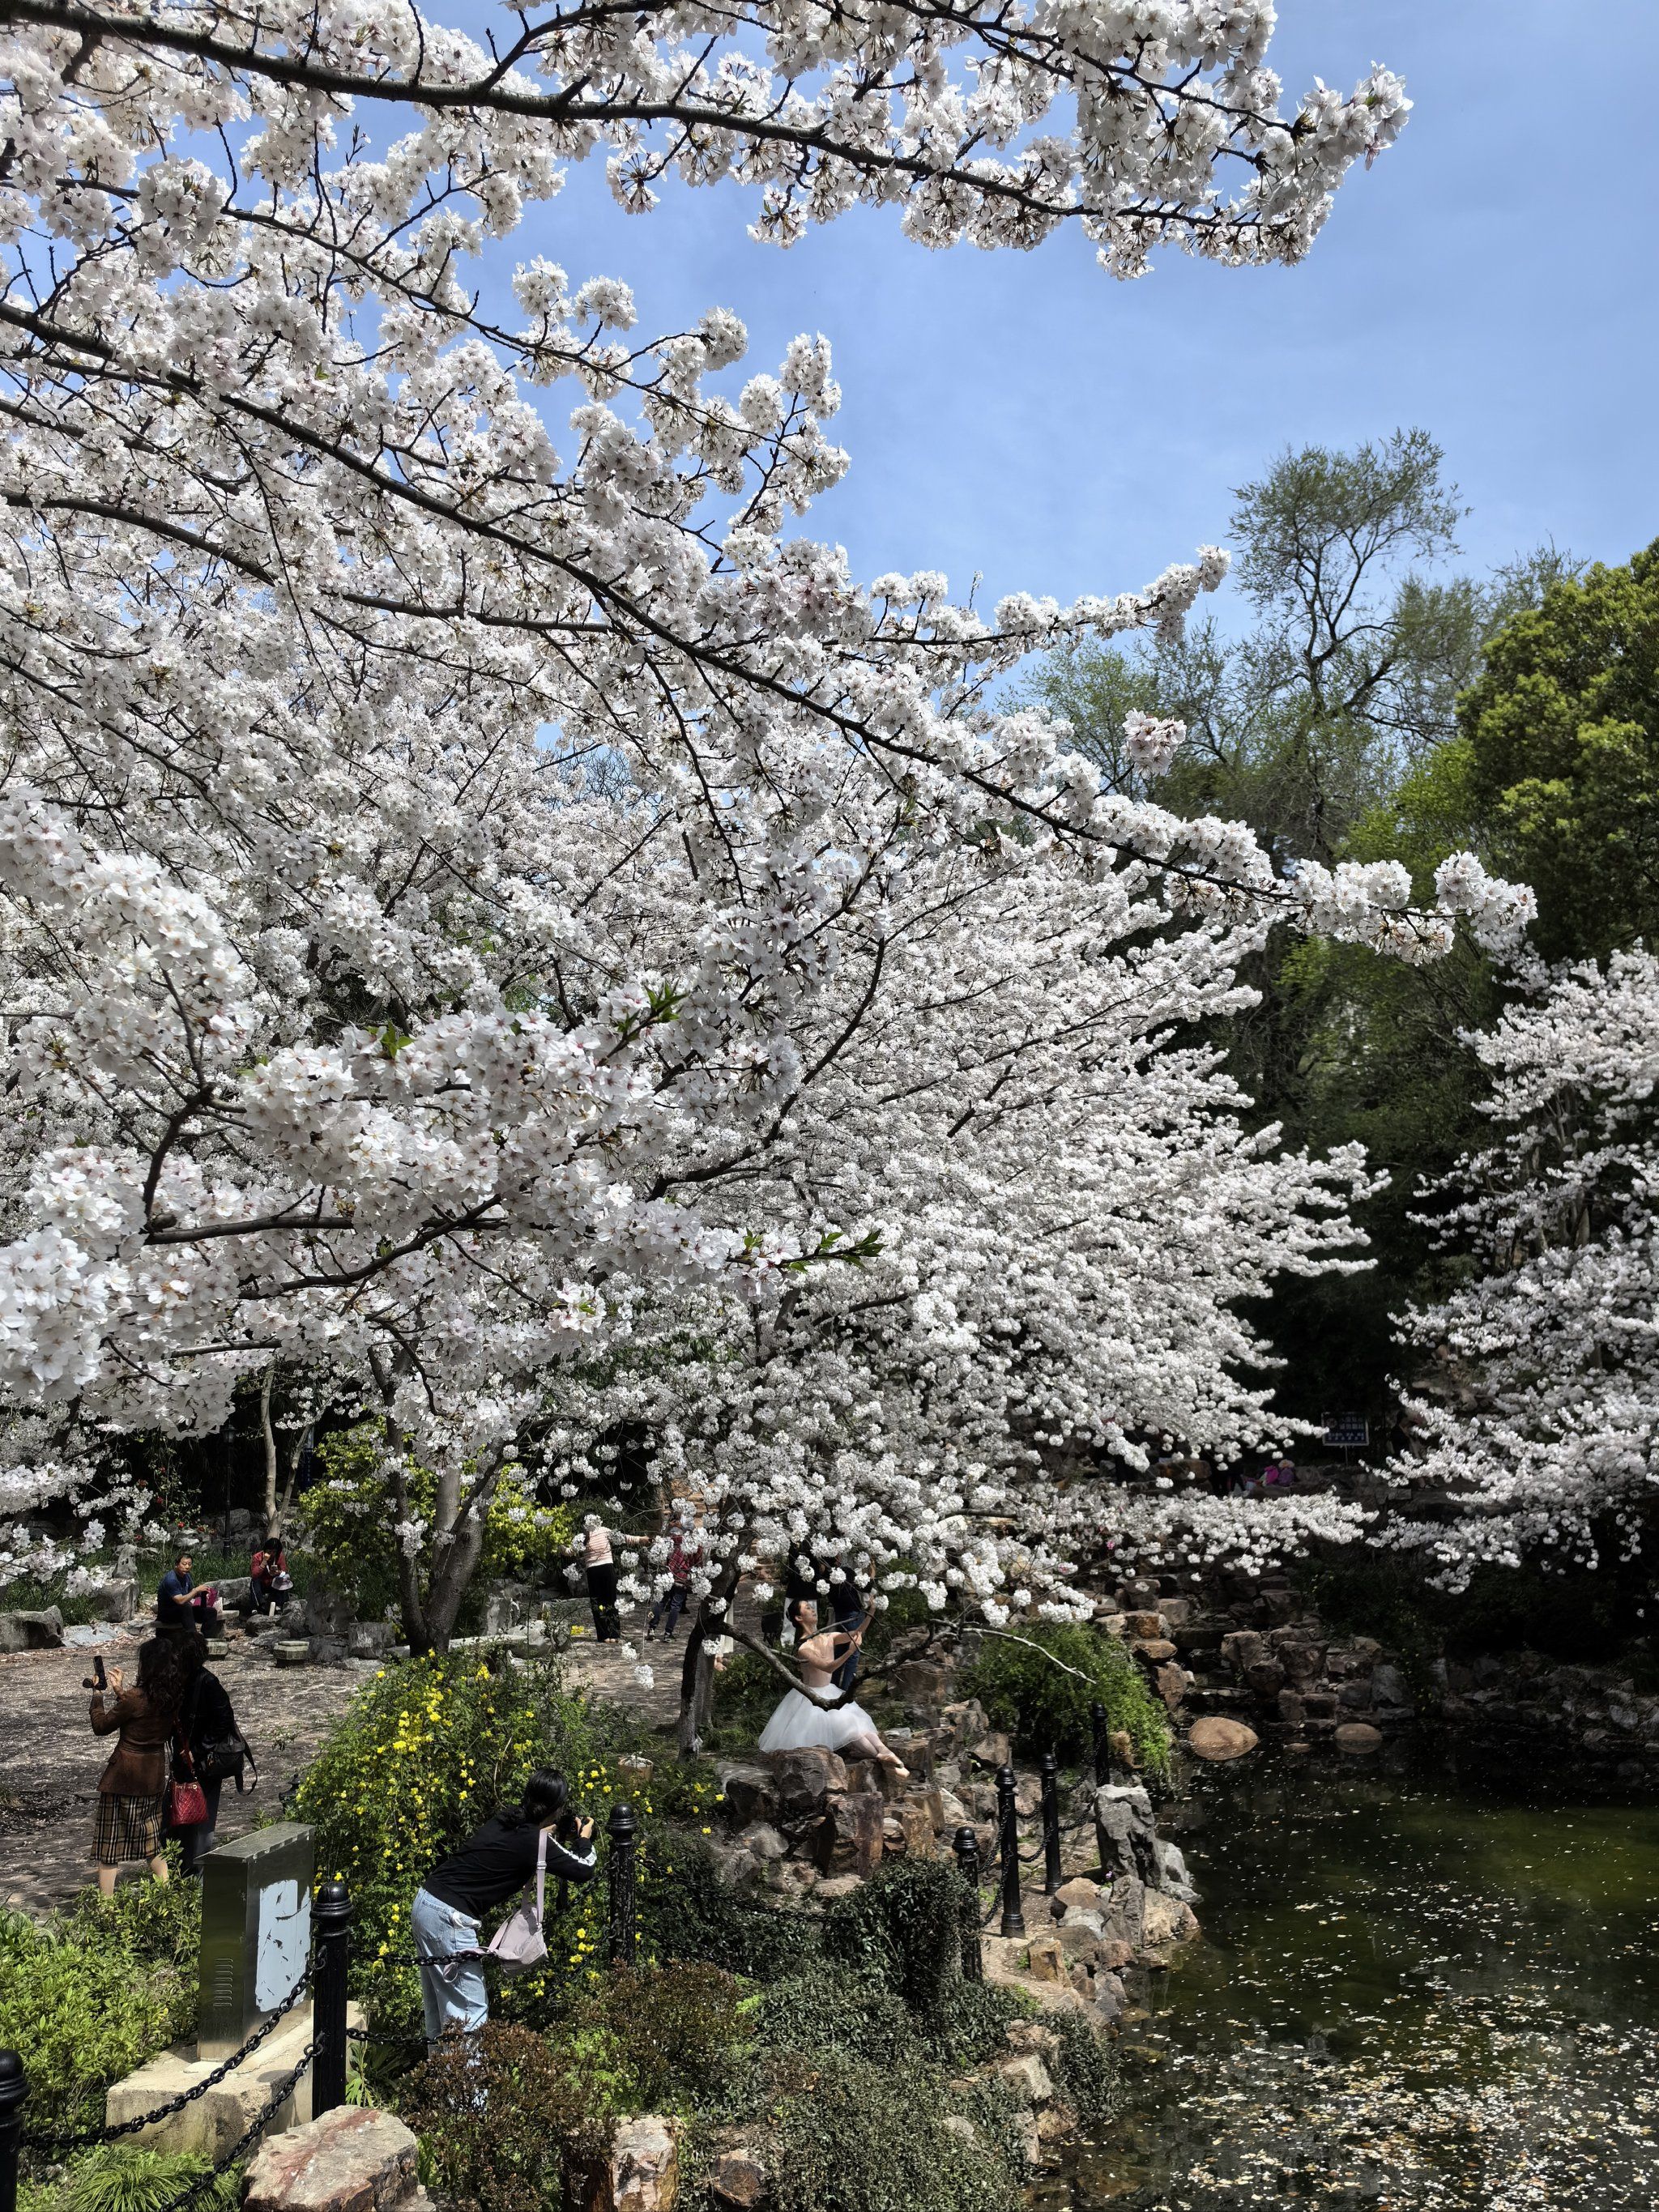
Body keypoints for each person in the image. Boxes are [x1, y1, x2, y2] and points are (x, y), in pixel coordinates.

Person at [412, 1771, 597, 2044]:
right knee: (469, 2016)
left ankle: (444, 2084)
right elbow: (585, 1868)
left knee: (440, 2013)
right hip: (450, 1918)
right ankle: (470, 2089)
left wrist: (554, 1830)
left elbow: (522, 1842)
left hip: (426, 1902)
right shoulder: (535, 1842)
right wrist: (584, 1839)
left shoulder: (506, 1818)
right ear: (557, 1808)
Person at [89, 1635, 188, 1896]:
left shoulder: (135, 1698)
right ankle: (168, 1895)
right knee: (151, 1844)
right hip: (152, 1777)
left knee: (109, 1848)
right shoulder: (172, 1698)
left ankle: (106, 1909)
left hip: (123, 1778)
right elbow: (141, 1713)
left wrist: (98, 1695)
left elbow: (101, 1726)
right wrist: (120, 1692)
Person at [757, 1602, 907, 1771]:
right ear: (799, 1618)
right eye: (807, 1608)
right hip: (811, 1697)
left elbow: (856, 1633)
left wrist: (871, 1610)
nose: (813, 1609)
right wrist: (849, 1652)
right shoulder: (804, 1648)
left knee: (858, 1722)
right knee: (850, 1726)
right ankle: (882, 1758)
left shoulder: (828, 1637)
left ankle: (883, 1752)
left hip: (830, 1691)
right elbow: (828, 1666)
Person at [172, 1632, 244, 1874]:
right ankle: (182, 1870)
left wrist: (198, 1750)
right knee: (179, 1817)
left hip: (205, 1763)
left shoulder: (208, 1683)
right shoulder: (182, 1681)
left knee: (202, 1823)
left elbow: (224, 1721)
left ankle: (197, 1877)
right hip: (185, 1760)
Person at [645, 1519, 701, 1642]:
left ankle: (652, 1629)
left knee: (661, 1602)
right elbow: (698, 1562)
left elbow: (658, 1548)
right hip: (682, 1577)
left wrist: (667, 1529)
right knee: (676, 1606)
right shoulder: (694, 1544)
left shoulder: (670, 1540)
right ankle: (668, 1633)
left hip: (668, 1576)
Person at [575, 1516, 620, 1641]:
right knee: (600, 1603)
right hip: (596, 1570)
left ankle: (612, 1634)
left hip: (603, 1569)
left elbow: (622, 1537)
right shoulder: (582, 1537)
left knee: (608, 1601)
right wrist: (561, 1548)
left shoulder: (605, 1530)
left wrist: (641, 1540)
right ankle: (606, 1635)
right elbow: (572, 1550)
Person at [249, 1532, 290, 1616]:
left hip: (274, 1583)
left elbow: (284, 1570)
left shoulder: (279, 1557)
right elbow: (254, 1574)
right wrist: (264, 1562)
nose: (271, 1554)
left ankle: (279, 1606)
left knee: (283, 1579)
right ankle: (260, 1604)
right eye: (269, 1551)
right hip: (262, 1583)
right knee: (254, 1582)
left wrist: (278, 1572)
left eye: (274, 1552)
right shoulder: (257, 1557)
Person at [156, 1551, 194, 1629]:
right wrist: (196, 1591)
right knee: (186, 1608)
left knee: (210, 1612)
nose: (187, 1567)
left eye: (189, 1564)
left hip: (183, 1609)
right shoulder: (171, 1580)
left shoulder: (187, 1575)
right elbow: (180, 1601)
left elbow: (191, 1591)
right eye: (184, 1564)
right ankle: (192, 1638)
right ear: (177, 1565)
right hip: (167, 1613)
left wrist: (203, 1593)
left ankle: (210, 1639)